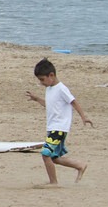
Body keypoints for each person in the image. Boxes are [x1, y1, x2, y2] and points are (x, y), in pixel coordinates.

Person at [26, 57, 93, 185]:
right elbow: (49, 105)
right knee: (54, 158)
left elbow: (74, 102)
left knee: (45, 154)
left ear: (51, 75)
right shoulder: (49, 89)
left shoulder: (61, 88)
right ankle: (80, 165)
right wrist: (36, 99)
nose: (41, 83)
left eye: (42, 79)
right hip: (52, 127)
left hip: (59, 128)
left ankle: (53, 182)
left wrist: (84, 117)